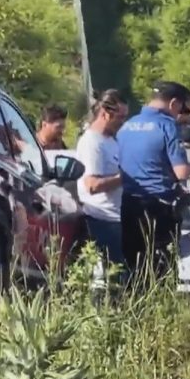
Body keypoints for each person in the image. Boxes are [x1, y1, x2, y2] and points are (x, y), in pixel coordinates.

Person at [116, 80, 190, 286]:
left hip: (128, 204)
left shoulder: (127, 125)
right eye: (180, 107)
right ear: (173, 103)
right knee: (161, 269)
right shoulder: (167, 126)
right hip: (159, 208)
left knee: (134, 266)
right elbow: (181, 172)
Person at [75, 90, 129, 296]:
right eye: (120, 117)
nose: (122, 122)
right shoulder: (92, 143)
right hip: (101, 220)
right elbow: (92, 185)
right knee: (111, 281)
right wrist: (124, 177)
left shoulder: (111, 141)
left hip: (117, 218)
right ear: (105, 113)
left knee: (122, 278)